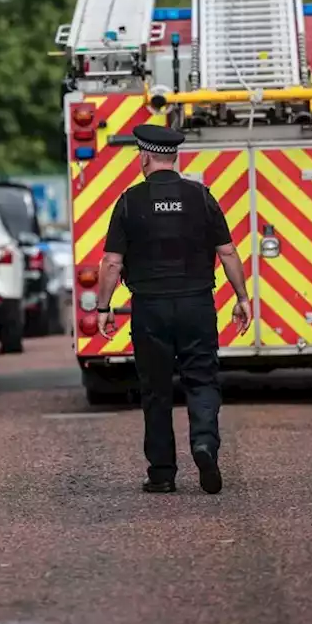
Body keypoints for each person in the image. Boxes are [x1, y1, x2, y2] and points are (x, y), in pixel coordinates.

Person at [95, 124, 251, 495]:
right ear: (173, 157)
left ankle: (162, 473)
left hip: (150, 308)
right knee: (202, 379)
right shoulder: (200, 197)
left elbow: (112, 262)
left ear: (145, 157)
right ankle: (204, 444)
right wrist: (242, 297)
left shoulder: (130, 201)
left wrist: (104, 306)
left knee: (156, 389)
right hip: (197, 304)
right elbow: (227, 252)